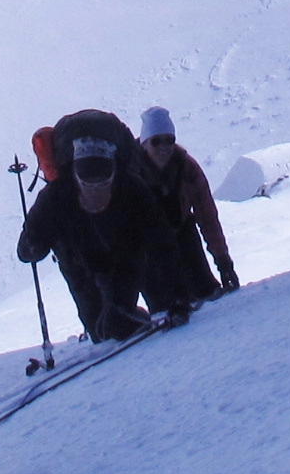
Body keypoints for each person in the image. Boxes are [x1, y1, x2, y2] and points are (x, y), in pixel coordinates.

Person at [15, 110, 198, 339]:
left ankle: (122, 316)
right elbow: (25, 251)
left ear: (114, 175)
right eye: (88, 186)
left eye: (102, 185)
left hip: (121, 254)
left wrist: (178, 296)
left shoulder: (132, 189)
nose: (95, 192)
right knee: (100, 329)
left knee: (115, 326)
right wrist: (34, 243)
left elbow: (162, 243)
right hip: (79, 259)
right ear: (75, 177)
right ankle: (114, 320)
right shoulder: (56, 197)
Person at [137, 105, 240, 297]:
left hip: (182, 233)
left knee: (205, 292)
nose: (164, 147)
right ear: (144, 143)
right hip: (146, 246)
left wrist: (223, 261)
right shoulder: (130, 171)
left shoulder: (187, 167)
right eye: (156, 141)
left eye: (169, 140)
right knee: (163, 304)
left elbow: (207, 215)